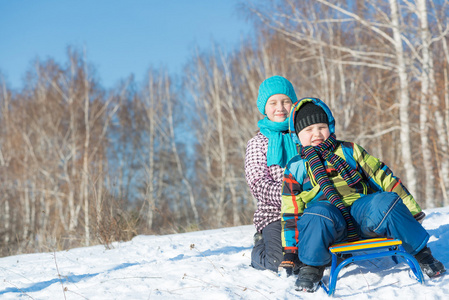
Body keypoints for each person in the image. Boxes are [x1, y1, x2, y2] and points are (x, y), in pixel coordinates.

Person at [279, 97, 446, 292]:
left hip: (362, 213)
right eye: (308, 130)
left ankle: (421, 253)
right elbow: (291, 212)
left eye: (321, 127)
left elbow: (383, 176)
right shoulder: (296, 166)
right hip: (329, 223)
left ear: (330, 126)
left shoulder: (349, 150)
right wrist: (290, 252)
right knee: (316, 214)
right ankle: (312, 266)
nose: (316, 133)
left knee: (386, 202)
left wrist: (411, 211)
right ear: (297, 136)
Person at [245, 75, 299, 272]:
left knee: (316, 256)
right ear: (264, 107)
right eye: (273, 102)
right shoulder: (258, 143)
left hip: (306, 209)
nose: (280, 108)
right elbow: (258, 184)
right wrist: (293, 193)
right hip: (274, 214)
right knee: (278, 263)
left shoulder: (303, 135)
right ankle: (260, 248)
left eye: (286, 101)